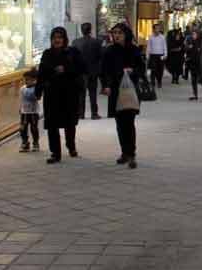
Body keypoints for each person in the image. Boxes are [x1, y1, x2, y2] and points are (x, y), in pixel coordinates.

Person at [36, 27, 86, 164]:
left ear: (64, 39)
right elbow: (41, 73)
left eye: (59, 37)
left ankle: (71, 146)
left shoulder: (72, 52)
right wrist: (38, 91)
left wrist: (66, 69)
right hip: (52, 94)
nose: (57, 40)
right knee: (52, 124)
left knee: (69, 123)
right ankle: (55, 153)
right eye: (54, 38)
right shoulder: (47, 54)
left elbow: (82, 68)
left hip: (69, 93)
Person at [101, 23, 144, 169]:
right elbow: (104, 70)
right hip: (115, 90)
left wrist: (133, 71)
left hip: (130, 90)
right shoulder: (109, 51)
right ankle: (124, 152)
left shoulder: (134, 50)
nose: (117, 35)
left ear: (126, 34)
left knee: (129, 122)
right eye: (115, 33)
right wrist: (106, 85)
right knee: (120, 123)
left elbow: (142, 68)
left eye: (120, 32)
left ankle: (131, 153)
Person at [71, 22, 103, 119]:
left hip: (80, 72)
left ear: (81, 30)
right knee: (93, 93)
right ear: (90, 30)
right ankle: (94, 113)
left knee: (81, 94)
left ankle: (81, 113)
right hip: (93, 71)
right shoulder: (97, 42)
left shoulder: (75, 43)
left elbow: (73, 58)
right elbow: (100, 57)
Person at [18, 68, 40, 152]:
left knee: (34, 128)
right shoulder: (22, 88)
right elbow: (21, 99)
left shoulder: (36, 89)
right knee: (23, 128)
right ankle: (25, 142)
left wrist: (35, 87)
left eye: (28, 80)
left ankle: (35, 142)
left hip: (33, 112)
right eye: (25, 80)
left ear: (34, 80)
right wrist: (20, 108)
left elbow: (36, 98)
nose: (26, 81)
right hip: (24, 112)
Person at [146, 23, 167, 89]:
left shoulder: (162, 37)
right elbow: (148, 47)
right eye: (156, 28)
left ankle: (159, 81)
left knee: (160, 70)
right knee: (153, 69)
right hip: (153, 55)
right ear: (153, 29)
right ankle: (152, 82)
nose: (158, 30)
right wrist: (147, 55)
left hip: (160, 55)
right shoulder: (150, 37)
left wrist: (165, 54)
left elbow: (165, 46)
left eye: (159, 28)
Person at [185, 28, 202, 100]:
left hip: (199, 63)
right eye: (193, 34)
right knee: (193, 79)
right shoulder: (190, 41)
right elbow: (186, 49)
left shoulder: (201, 42)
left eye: (195, 34)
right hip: (192, 63)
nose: (193, 35)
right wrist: (188, 47)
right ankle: (195, 94)